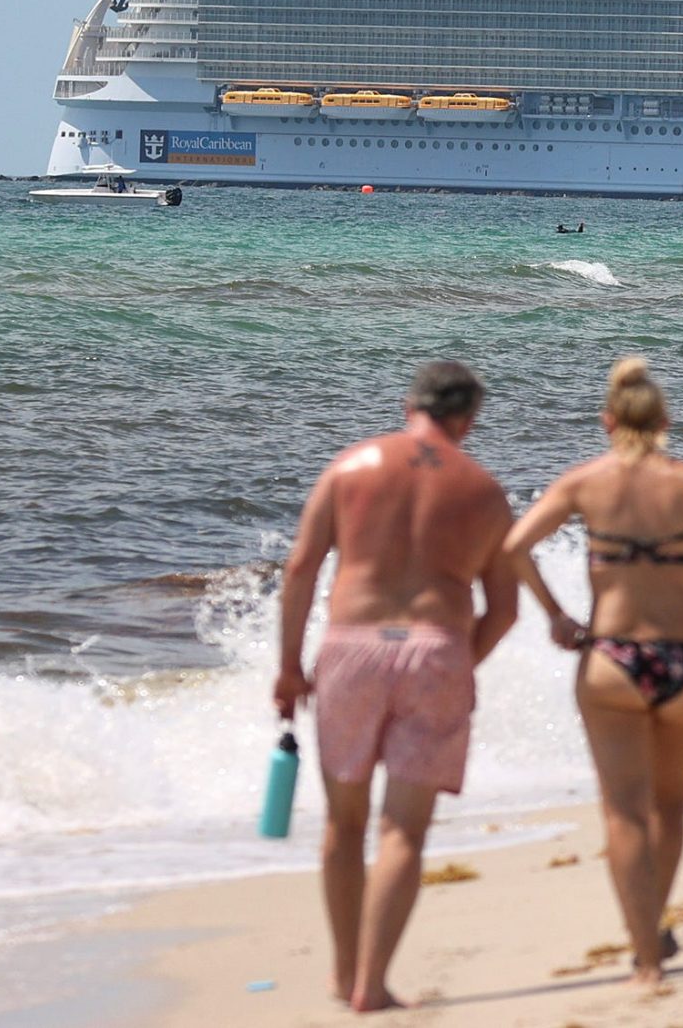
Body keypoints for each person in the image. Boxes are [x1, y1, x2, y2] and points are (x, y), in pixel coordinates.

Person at [504, 356, 683, 992]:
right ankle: (653, 924)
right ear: (666, 421)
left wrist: (557, 616)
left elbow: (511, 546)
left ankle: (647, 961)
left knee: (623, 814)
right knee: (669, 806)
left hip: (612, 662)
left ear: (607, 421)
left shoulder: (583, 482)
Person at [274, 360, 519, 1014]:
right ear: (469, 419)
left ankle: (340, 970)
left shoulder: (350, 466)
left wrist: (289, 666)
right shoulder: (485, 491)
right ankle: (373, 985)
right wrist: (459, 662)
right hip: (436, 651)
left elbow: (300, 569)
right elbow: (504, 609)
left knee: (342, 824)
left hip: (351, 650)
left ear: (408, 403)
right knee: (403, 832)